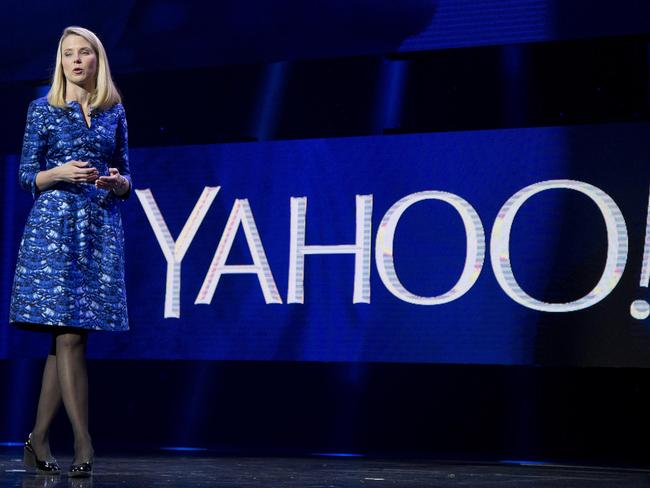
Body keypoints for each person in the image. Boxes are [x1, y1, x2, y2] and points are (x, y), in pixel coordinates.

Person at [9, 26, 132, 478]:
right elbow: (27, 176)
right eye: (68, 54)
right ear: (60, 62)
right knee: (68, 336)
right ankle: (83, 441)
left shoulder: (113, 111)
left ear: (97, 60)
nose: (76, 61)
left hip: (98, 230)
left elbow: (127, 177)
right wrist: (57, 172)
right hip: (54, 231)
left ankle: (38, 438)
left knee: (66, 341)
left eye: (84, 53)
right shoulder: (42, 110)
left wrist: (119, 184)